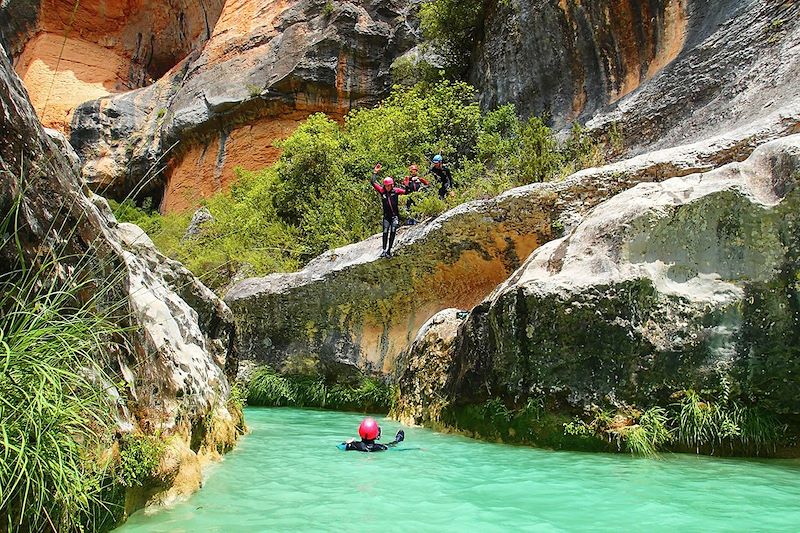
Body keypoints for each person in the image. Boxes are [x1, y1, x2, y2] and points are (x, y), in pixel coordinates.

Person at [370, 163, 406, 258]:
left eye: (389, 186)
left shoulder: (396, 191)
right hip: (387, 216)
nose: (387, 187)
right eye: (386, 186)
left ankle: (389, 250)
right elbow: (373, 182)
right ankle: (384, 250)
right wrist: (375, 172)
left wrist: (407, 185)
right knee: (385, 232)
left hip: (395, 216)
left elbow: (407, 192)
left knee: (393, 231)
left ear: (392, 185)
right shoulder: (382, 191)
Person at [338, 417, 405, 452]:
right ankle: (398, 439)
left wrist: (346, 442)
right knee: (393, 443)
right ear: (376, 435)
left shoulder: (353, 445)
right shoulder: (380, 447)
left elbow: (339, 446)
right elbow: (391, 446)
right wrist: (397, 441)